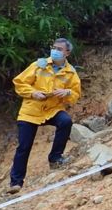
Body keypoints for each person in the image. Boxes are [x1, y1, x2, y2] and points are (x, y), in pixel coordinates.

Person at [8, 38, 81, 194]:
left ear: (67, 52)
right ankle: (16, 182)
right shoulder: (39, 65)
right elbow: (19, 83)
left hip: (52, 109)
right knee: (24, 146)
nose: (55, 51)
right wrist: (33, 93)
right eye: (54, 47)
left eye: (59, 49)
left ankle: (55, 157)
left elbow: (75, 94)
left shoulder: (70, 72)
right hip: (31, 111)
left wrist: (67, 92)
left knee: (66, 121)